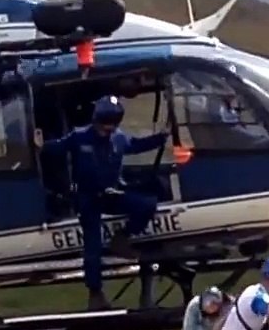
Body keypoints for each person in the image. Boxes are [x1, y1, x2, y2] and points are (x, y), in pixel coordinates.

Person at [35, 95, 169, 310]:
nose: (107, 131)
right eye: (104, 125)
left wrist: (160, 138)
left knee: (146, 205)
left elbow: (136, 145)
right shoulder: (79, 137)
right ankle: (95, 293)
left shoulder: (119, 138)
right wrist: (40, 145)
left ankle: (122, 237)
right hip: (87, 198)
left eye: (112, 126)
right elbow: (56, 148)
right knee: (93, 245)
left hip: (111, 194)